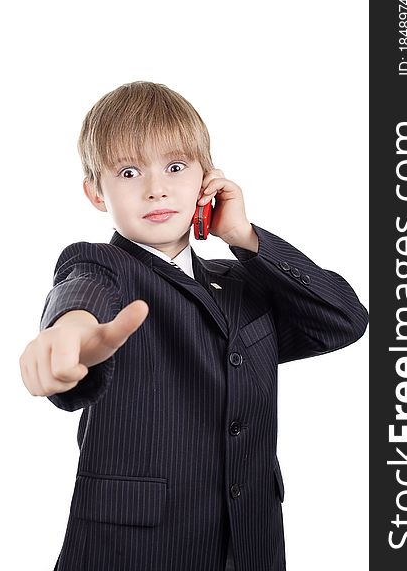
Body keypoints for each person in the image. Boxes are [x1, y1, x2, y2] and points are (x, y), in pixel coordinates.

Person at [20, 81, 368, 571]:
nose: (156, 187)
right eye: (128, 171)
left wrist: (243, 237)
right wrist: (70, 335)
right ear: (96, 192)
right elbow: (81, 299)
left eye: (176, 167)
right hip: (137, 552)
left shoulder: (243, 286)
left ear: (208, 179)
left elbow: (343, 320)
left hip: (251, 546)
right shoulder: (102, 267)